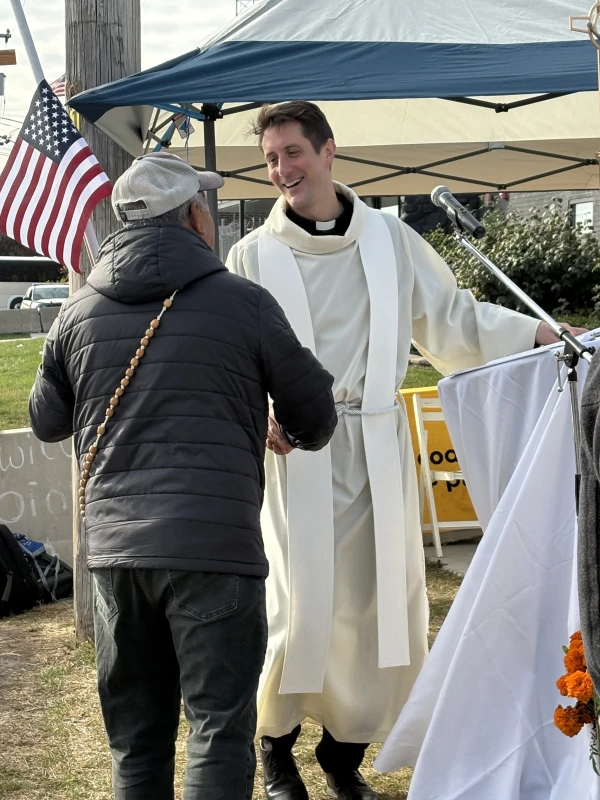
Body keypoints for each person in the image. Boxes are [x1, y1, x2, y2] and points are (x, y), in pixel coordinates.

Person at [226, 101, 586, 800]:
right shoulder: (252, 256)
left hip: (377, 447)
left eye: (293, 153)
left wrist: (538, 336)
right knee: (298, 605)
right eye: (270, 160)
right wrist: (258, 407)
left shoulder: (390, 240)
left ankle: (343, 753)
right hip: (298, 454)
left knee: (378, 608)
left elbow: (453, 319)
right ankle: (274, 750)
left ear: (329, 152)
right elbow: (234, 353)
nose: (281, 171)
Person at [28, 152, 338, 800]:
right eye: (209, 207)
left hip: (117, 555)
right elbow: (315, 412)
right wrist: (290, 431)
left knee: (136, 738)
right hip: (214, 549)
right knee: (218, 730)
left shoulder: (76, 314)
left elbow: (47, 421)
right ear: (195, 217)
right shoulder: (245, 304)